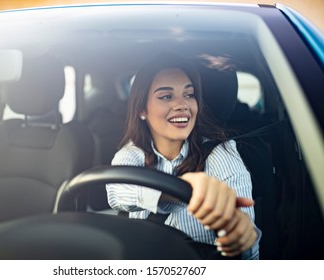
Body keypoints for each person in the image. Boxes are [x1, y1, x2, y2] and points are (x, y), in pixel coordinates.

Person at [106, 53, 260, 259]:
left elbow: (242, 235)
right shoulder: (132, 153)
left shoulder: (221, 154)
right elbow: (117, 191)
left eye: (189, 94)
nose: (182, 105)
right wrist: (182, 189)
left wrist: (236, 231)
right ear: (142, 109)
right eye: (166, 96)